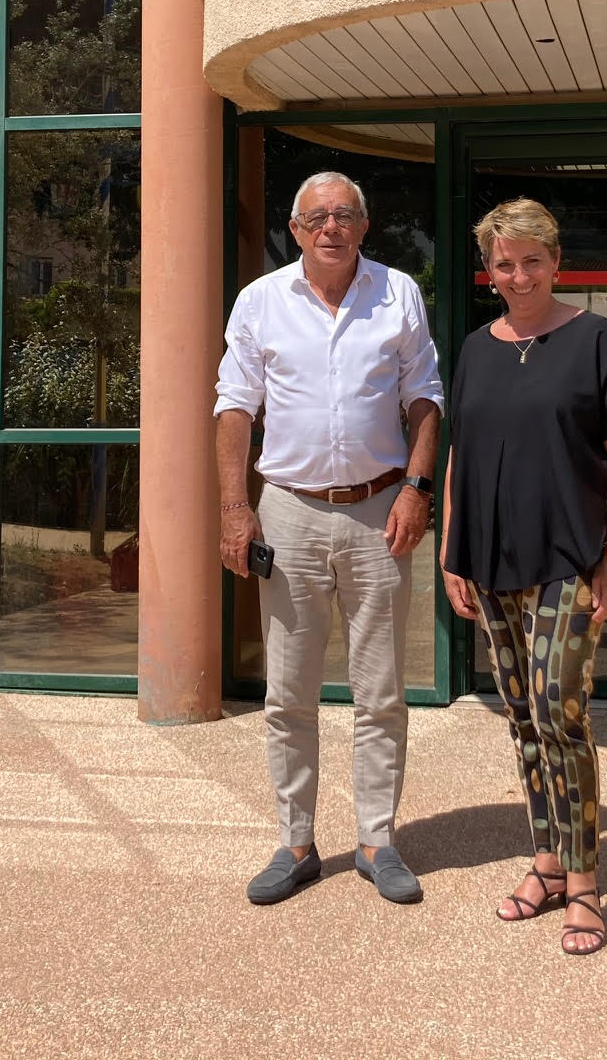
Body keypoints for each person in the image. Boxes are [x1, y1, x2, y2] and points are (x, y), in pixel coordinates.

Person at [215, 172, 443, 908]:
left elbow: (425, 397)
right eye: (316, 217)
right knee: (288, 694)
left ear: (364, 225)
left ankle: (378, 840)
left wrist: (416, 487)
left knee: (380, 693)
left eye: (344, 215)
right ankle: (296, 843)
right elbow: (234, 408)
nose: (331, 228)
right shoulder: (260, 301)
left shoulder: (398, 292)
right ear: (295, 226)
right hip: (288, 511)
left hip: (381, 511)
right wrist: (233, 509)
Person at [439, 198, 607, 956]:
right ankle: (549, 861)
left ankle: (586, 881)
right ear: (488, 271)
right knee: (522, 717)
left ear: (556, 263)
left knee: (561, 709)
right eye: (503, 262)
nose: (518, 274)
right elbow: (462, 449)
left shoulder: (594, 338)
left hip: (568, 553)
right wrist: (451, 546)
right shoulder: (474, 348)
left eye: (531, 260)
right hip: (489, 556)